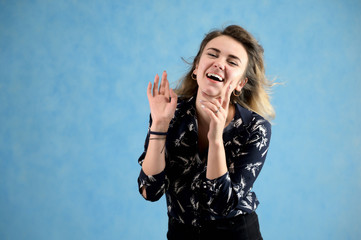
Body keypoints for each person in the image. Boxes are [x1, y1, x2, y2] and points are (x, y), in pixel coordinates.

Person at [137, 25, 275, 240]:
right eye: (212, 54)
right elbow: (150, 191)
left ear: (240, 83)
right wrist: (160, 125)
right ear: (196, 67)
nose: (219, 63)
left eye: (232, 62)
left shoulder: (255, 128)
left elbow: (221, 205)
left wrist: (216, 139)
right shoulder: (169, 113)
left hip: (235, 233)